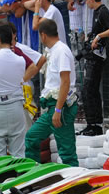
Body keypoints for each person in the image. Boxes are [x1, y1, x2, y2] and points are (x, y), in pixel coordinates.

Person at [25, 19, 78, 166]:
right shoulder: (53, 51)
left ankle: (76, 184)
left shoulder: (61, 51)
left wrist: (58, 109)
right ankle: (33, 173)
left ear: (43, 35)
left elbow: (65, 82)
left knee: (66, 151)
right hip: (52, 106)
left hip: (61, 106)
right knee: (31, 137)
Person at [0, 24, 27, 158]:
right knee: (18, 153)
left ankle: (0, 178)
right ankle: (22, 178)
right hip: (16, 107)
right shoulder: (21, 60)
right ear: (12, 39)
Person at [80, 0, 109, 136]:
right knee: (88, 90)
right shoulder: (96, 12)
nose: (86, 2)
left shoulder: (103, 11)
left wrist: (99, 36)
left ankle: (95, 124)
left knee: (90, 90)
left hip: (98, 57)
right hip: (92, 56)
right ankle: (91, 123)